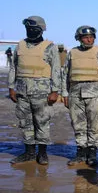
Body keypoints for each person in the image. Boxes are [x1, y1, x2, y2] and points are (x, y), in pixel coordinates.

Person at [8, 16, 61, 165]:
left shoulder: (50, 47)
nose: (30, 31)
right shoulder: (20, 45)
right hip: (22, 92)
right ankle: (29, 153)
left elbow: (56, 70)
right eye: (28, 29)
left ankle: (42, 153)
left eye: (33, 29)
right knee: (26, 123)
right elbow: (14, 67)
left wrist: (55, 91)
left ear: (40, 30)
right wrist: (11, 87)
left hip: (42, 94)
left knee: (42, 122)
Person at [61, 26, 98, 167]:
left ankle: (92, 154)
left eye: (92, 37)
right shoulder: (73, 53)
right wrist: (64, 93)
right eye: (86, 37)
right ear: (79, 38)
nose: (89, 39)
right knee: (78, 125)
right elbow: (65, 74)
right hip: (75, 94)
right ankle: (81, 153)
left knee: (94, 125)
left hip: (95, 94)